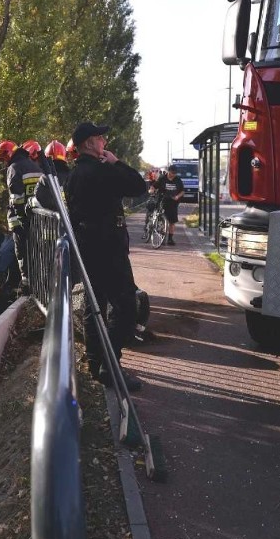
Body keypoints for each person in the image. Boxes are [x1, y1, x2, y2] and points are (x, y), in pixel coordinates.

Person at [64, 121, 146, 391]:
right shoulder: (102, 171)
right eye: (100, 138)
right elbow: (138, 186)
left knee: (93, 305)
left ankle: (95, 363)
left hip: (87, 246)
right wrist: (116, 162)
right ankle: (110, 367)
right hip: (108, 247)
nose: (105, 143)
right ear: (88, 143)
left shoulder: (74, 175)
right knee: (125, 307)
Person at [0, 139, 43, 294]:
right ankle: (39, 282)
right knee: (37, 251)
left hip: (21, 220)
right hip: (38, 218)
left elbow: (16, 197)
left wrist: (20, 219)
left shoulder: (14, 168)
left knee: (21, 251)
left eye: (2, 159)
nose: (3, 163)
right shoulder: (35, 166)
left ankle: (27, 285)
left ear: (7, 155)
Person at [33, 139, 70, 211]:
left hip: (50, 220)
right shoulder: (72, 176)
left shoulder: (44, 179)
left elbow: (39, 197)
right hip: (72, 220)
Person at [152, 164, 184, 246]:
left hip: (173, 202)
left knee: (172, 222)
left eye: (174, 173)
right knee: (161, 218)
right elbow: (154, 186)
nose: (173, 174)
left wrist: (177, 196)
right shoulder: (162, 178)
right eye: (172, 172)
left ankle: (170, 239)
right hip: (162, 200)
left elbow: (182, 191)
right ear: (168, 171)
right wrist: (151, 190)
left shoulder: (178, 180)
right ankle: (161, 234)